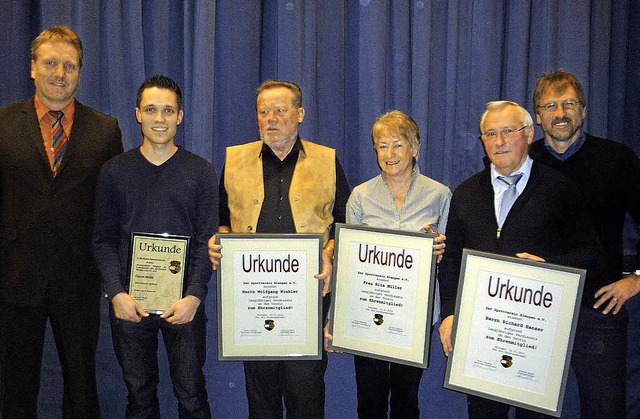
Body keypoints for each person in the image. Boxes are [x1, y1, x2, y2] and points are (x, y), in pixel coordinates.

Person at [438, 101, 603, 418]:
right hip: (481, 336)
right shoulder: (466, 193)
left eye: (507, 131)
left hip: (536, 336)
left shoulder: (561, 190)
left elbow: (591, 253)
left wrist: (551, 268)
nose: (498, 141)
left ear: (529, 134)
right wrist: (448, 314)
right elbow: (451, 263)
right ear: (482, 141)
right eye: (490, 133)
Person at [0, 26, 123, 417]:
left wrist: (113, 274)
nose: (59, 72)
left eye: (69, 65)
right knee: (14, 387)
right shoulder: (2, 123)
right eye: (50, 63)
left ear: (79, 72)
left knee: (82, 385)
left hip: (79, 278)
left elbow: (112, 210)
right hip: (14, 277)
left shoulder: (105, 130)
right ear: (32, 68)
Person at [207, 80, 350, 418]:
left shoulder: (326, 160)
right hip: (254, 296)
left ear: (299, 114)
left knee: (307, 393)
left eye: (280, 111)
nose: (270, 118)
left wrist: (330, 251)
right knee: (261, 396)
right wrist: (220, 237)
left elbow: (344, 220)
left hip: (309, 296)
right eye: (263, 112)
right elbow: (221, 216)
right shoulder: (236, 160)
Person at [92, 75, 217, 418]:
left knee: (192, 397)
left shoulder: (201, 171)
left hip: (185, 306)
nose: (159, 119)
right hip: (130, 305)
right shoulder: (114, 172)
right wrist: (116, 292)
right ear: (137, 114)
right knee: (140, 399)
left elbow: (208, 241)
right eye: (151, 110)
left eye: (167, 110)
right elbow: (102, 239)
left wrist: (195, 295)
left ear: (180, 116)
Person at [528, 69, 640, 417]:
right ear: (537, 116)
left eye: (569, 103)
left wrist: (637, 278)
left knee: (605, 410)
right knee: (531, 411)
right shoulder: (523, 162)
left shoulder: (617, 160)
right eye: (550, 105)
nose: (560, 113)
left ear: (584, 110)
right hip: (534, 308)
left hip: (599, 309)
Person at [344, 110, 451, 418]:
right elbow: (350, 265)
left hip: (416, 318)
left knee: (406, 402)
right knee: (370, 402)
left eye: (398, 145)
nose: (389, 154)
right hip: (368, 313)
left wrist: (441, 252)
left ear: (415, 148)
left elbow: (450, 260)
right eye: (382, 145)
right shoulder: (360, 197)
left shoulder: (440, 195)